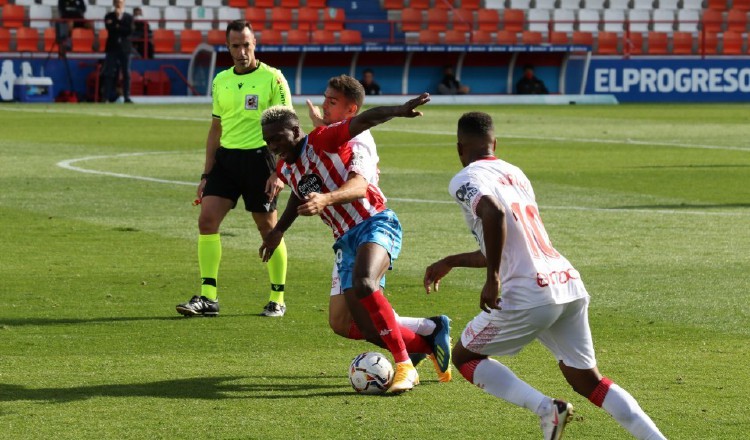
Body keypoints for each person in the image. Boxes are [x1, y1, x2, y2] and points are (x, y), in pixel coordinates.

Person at [423, 112, 667, 439]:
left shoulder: (466, 178)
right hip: (566, 283)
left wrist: (493, 278)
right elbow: (508, 241)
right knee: (588, 380)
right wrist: (452, 260)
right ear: (495, 144)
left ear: (459, 147)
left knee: (465, 357)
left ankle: (546, 409)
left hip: (527, 293)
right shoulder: (515, 173)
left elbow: (493, 214)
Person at [259, 93, 433, 393]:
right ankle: (427, 341)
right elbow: (299, 194)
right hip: (344, 239)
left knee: (365, 282)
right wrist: (279, 231)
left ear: (296, 131)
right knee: (361, 326)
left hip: (375, 221)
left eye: (278, 138)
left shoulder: (323, 140)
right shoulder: (285, 167)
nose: (273, 146)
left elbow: (364, 121)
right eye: (267, 141)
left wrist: (399, 110)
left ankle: (405, 366)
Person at [305, 75, 451, 382]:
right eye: (325, 98)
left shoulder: (361, 140)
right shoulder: (328, 133)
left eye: (332, 101)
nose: (324, 105)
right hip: (343, 235)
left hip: (369, 225)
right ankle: (427, 332)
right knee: (342, 323)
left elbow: (359, 185)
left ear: (350, 109)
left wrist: (326, 198)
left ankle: (405, 362)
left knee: (366, 294)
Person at [175, 20, 291, 318]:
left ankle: (277, 298)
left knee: (268, 229)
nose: (242, 51)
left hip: (260, 161)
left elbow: (290, 128)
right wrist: (206, 174)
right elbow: (215, 128)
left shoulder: (273, 79)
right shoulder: (221, 80)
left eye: (246, 45)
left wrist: (280, 171)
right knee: (207, 220)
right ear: (228, 48)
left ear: (255, 44)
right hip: (226, 160)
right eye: (235, 46)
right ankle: (208, 297)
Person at [102, 0, 134, 103]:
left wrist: (117, 24)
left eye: (120, 2)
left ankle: (127, 97)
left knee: (126, 73)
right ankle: (106, 97)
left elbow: (129, 31)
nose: (118, 4)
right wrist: (119, 25)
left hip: (125, 49)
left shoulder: (129, 17)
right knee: (109, 72)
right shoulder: (109, 16)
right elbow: (109, 28)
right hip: (112, 48)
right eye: (116, 2)